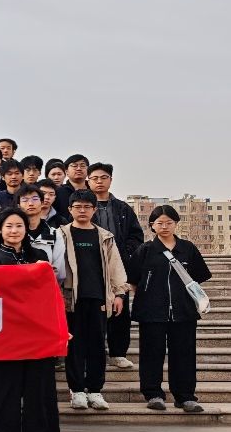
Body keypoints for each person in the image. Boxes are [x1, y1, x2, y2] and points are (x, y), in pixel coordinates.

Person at [0, 208, 62, 432]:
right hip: (6, 331)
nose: (14, 230)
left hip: (37, 330)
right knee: (6, 385)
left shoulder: (39, 255)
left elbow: (49, 292)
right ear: (0, 230)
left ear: (26, 229)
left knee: (38, 385)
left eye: (19, 226)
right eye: (8, 226)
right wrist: (31, 272)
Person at [129, 205, 212, 412]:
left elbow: (199, 276)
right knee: (151, 354)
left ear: (176, 224)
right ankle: (153, 394)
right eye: (159, 223)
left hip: (183, 312)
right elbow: (133, 280)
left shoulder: (188, 248)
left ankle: (185, 396)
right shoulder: (145, 250)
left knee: (184, 354)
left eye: (169, 222)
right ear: (152, 225)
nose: (164, 226)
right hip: (151, 312)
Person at [59, 190, 128, 411]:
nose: (82, 210)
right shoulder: (61, 235)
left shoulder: (105, 236)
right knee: (74, 346)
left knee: (97, 346)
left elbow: (115, 266)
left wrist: (119, 294)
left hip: (99, 297)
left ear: (94, 210)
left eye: (87, 207)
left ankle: (95, 390)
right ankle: (77, 390)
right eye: (77, 206)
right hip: (71, 299)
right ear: (70, 209)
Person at [86, 162, 146, 369]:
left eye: (103, 177)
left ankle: (118, 353)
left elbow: (136, 236)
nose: (99, 182)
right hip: (91, 266)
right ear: (88, 181)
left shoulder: (122, 208)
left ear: (110, 180)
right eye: (95, 178)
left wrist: (124, 253)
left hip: (118, 267)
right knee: (94, 311)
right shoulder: (83, 206)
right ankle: (94, 352)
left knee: (120, 311)